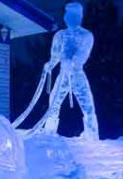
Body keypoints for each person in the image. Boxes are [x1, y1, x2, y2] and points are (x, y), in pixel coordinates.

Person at [42, 2, 99, 140]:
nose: (69, 18)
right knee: (54, 103)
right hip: (62, 75)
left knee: (88, 105)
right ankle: (49, 132)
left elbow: (83, 53)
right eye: (68, 15)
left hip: (77, 75)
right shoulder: (60, 36)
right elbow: (55, 55)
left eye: (74, 15)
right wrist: (50, 64)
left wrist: (73, 62)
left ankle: (92, 134)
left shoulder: (86, 35)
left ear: (79, 17)